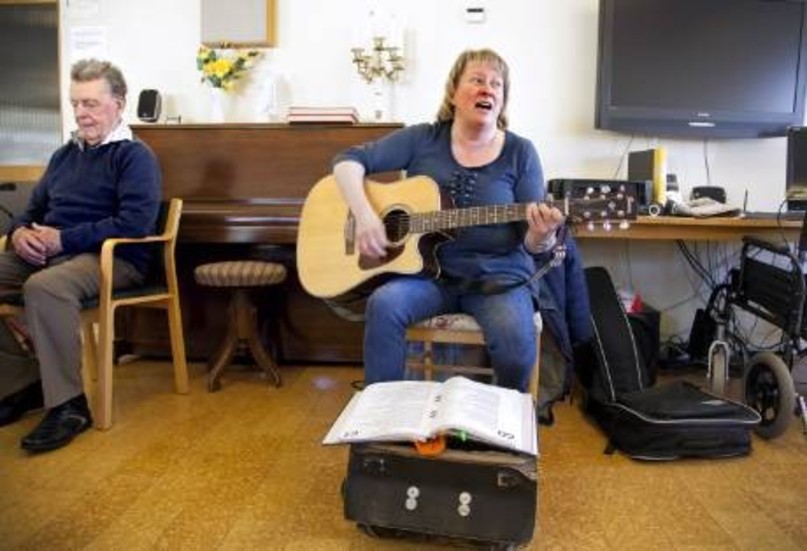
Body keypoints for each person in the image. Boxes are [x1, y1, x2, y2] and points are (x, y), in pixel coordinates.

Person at [332, 48, 564, 392]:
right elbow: (347, 161)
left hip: (497, 278)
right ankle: (381, 422)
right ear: (454, 92)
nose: (488, 89)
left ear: (502, 101)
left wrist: (542, 235)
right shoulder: (423, 138)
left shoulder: (521, 152)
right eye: (477, 80)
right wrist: (366, 217)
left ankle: (498, 431)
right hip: (427, 276)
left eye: (496, 85)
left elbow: (532, 243)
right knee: (385, 305)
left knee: (516, 346)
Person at [0, 59, 161, 452]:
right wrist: (19, 232)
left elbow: (135, 223)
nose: (80, 113)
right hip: (53, 252)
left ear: (118, 103)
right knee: (38, 276)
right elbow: (31, 210)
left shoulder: (134, 156)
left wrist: (64, 240)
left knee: (45, 288)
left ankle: (70, 406)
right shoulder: (63, 156)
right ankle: (24, 382)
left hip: (111, 258)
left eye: (90, 103)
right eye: (75, 104)